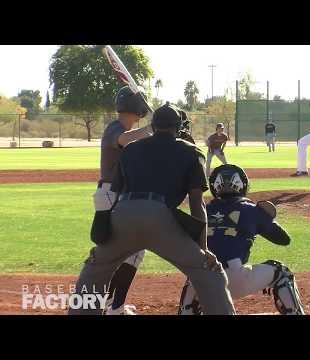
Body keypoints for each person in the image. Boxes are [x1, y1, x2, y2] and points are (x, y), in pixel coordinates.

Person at [69, 103, 236, 315]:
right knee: (208, 273)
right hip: (161, 218)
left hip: (123, 215)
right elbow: (197, 205)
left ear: (153, 126)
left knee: (93, 271)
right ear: (178, 128)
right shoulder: (192, 152)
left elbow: (114, 195)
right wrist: (203, 250)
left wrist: (105, 239)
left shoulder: (130, 149)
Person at [178, 164, 305, 315]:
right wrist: (263, 217)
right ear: (242, 185)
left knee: (193, 277)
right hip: (236, 277)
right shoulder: (251, 209)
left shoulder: (202, 210)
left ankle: (185, 311)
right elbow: (284, 239)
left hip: (203, 281)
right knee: (282, 272)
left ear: (214, 186)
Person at [93, 86, 154, 315]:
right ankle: (112, 307)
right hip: (112, 194)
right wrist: (152, 128)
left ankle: (111, 305)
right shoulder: (116, 129)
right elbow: (123, 140)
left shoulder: (132, 133)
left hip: (117, 195)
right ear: (138, 109)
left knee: (129, 253)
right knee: (128, 252)